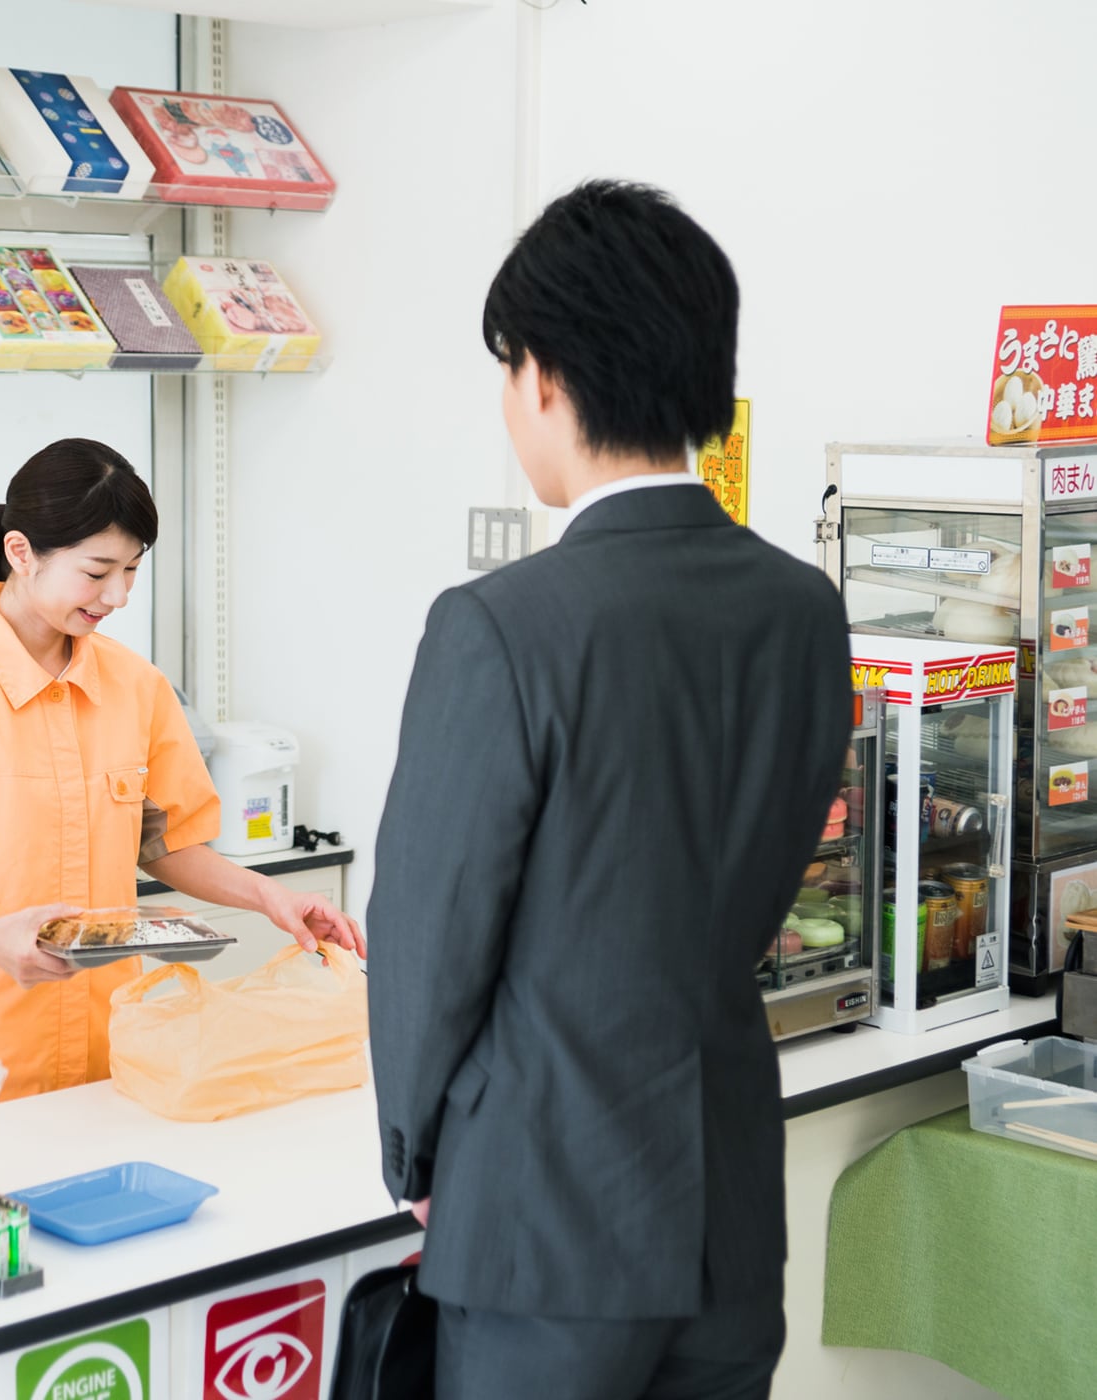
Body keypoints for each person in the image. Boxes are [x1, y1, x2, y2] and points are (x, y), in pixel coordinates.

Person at [366, 181, 852, 1400]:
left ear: (545, 376)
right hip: (732, 1216)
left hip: (545, 1220)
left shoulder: (502, 626)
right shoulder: (803, 608)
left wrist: (414, 1146)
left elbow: (430, 934)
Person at [0, 439, 363, 1100]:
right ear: (20, 553)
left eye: (131, 570)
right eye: (97, 572)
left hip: (121, 1051)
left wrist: (273, 897)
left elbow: (168, 845)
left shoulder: (136, 687)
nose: (117, 595)